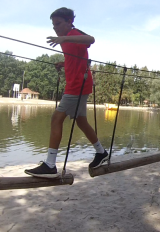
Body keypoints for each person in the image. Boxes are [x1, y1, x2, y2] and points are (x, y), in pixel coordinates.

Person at [25, 7, 108, 178]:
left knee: (56, 118)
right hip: (79, 83)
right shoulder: (67, 38)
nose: (55, 27)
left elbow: (91, 39)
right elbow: (76, 57)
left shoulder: (72, 34)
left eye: (58, 23)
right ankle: (101, 152)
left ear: (69, 22)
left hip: (77, 85)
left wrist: (64, 36)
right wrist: (63, 63)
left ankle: (50, 165)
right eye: (53, 25)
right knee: (81, 121)